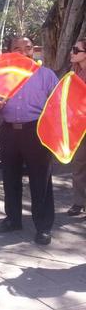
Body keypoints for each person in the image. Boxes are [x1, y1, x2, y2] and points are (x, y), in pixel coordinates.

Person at [0, 36, 58, 245]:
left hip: (36, 131)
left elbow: (57, 105)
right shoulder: (1, 76)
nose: (24, 52)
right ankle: (13, 219)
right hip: (8, 131)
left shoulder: (46, 75)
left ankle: (43, 227)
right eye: (18, 49)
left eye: (28, 48)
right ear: (10, 52)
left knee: (41, 180)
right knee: (10, 177)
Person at [67, 39, 86, 217]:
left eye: (76, 49)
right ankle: (79, 202)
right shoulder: (73, 72)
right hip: (78, 127)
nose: (72, 52)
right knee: (78, 165)